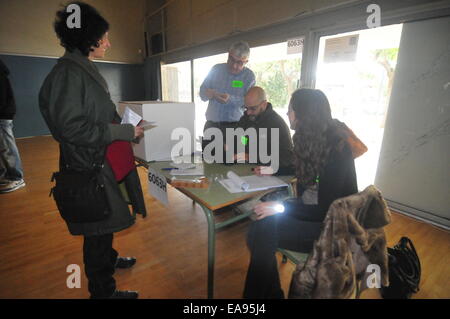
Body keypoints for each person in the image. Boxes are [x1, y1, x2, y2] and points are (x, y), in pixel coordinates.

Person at [39, 2, 147, 299]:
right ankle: (103, 291)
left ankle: (109, 261)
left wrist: (126, 123)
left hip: (101, 162)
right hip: (89, 167)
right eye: (104, 38)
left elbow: (95, 115)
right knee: (97, 229)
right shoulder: (68, 75)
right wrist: (123, 130)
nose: (108, 43)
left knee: (105, 220)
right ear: (89, 39)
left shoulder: (80, 68)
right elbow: (70, 129)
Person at [243, 88, 358, 299]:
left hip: (333, 227)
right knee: (258, 230)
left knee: (261, 230)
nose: (287, 114)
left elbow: (326, 209)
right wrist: (273, 169)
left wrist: (281, 207)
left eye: (290, 110)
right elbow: (300, 168)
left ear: (303, 114)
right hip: (313, 214)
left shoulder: (338, 149)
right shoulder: (310, 139)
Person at [200, 41, 255, 152]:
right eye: (232, 59)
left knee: (234, 162)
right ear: (228, 54)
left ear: (246, 62)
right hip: (211, 126)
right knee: (208, 163)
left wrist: (231, 99)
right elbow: (202, 93)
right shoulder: (216, 70)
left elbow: (249, 102)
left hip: (235, 128)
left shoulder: (248, 76)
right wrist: (207, 93)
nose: (234, 66)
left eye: (239, 63)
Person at [233, 86, 294, 175]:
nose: (248, 112)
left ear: (264, 104)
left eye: (253, 108)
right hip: (247, 170)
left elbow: (287, 158)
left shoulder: (277, 124)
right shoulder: (245, 119)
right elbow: (239, 140)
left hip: (269, 175)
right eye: (246, 108)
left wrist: (250, 156)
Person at [0, 58, 25, 193]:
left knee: (6, 148)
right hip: (4, 114)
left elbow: (2, 98)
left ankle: (16, 178)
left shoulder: (1, 74)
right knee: (3, 148)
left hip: (3, 116)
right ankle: (6, 176)